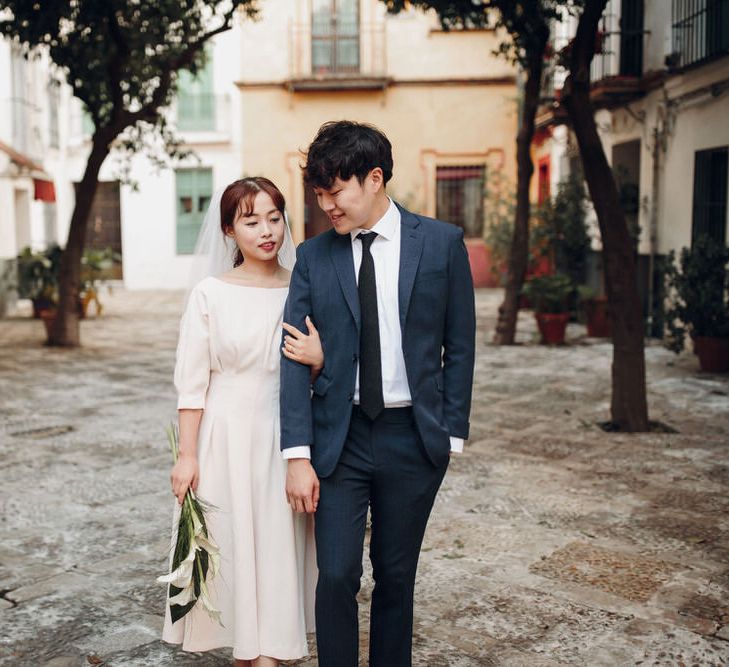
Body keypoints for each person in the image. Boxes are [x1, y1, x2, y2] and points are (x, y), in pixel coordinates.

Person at [280, 121, 476, 666]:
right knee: (336, 574)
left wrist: (449, 436)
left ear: (373, 179)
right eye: (319, 195)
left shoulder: (440, 244)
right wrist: (298, 454)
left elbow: (460, 344)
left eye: (335, 192)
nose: (327, 207)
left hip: (412, 437)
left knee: (396, 575)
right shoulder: (314, 257)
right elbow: (292, 358)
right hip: (338, 439)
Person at [162, 177, 319, 666]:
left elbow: (329, 369)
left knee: (276, 547)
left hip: (285, 434)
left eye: (275, 217)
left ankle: (267, 652)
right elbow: (193, 383)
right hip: (224, 438)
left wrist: (319, 360)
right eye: (252, 221)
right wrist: (187, 456)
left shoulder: (302, 285)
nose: (267, 231)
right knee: (231, 548)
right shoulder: (210, 294)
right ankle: (249, 654)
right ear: (230, 230)